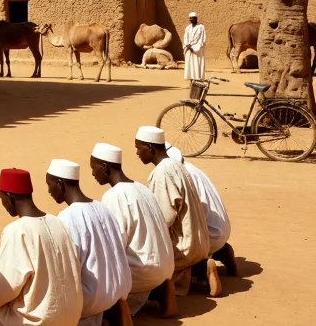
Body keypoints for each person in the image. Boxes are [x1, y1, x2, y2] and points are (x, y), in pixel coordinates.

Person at [0, 168, 82, 326]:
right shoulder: (58, 222)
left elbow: (1, 289)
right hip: (71, 317)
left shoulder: (18, 230)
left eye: (2, 198)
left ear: (9, 198)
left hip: (41, 321)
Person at [89, 142, 175, 319]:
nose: (92, 173)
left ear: (105, 167)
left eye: (93, 168)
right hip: (166, 267)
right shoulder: (141, 187)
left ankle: (116, 311)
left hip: (143, 272)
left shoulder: (113, 196)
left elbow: (115, 244)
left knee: (92, 283)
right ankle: (159, 290)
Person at [44, 159, 131, 326]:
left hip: (93, 299)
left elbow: (67, 267)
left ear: (61, 184)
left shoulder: (67, 217)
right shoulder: (102, 207)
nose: (48, 190)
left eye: (50, 185)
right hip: (119, 290)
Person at [135, 126, 210, 295]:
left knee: (143, 272)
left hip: (185, 246)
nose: (137, 153)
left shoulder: (162, 172)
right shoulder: (178, 165)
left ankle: (165, 292)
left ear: (150, 148)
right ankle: (200, 269)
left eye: (139, 148)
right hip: (200, 243)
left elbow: (164, 218)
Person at [166, 143, 236, 280]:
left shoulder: (176, 175)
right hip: (221, 229)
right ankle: (221, 251)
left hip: (207, 236)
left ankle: (201, 269)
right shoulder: (192, 169)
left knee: (166, 261)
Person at [181, 13, 205, 82]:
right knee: (190, 66)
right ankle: (191, 82)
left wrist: (194, 47)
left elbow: (202, 39)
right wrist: (187, 45)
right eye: (190, 18)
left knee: (197, 65)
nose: (191, 20)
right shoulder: (188, 28)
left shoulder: (201, 27)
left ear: (196, 18)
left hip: (197, 50)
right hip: (189, 48)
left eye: (192, 18)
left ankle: (197, 81)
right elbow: (185, 38)